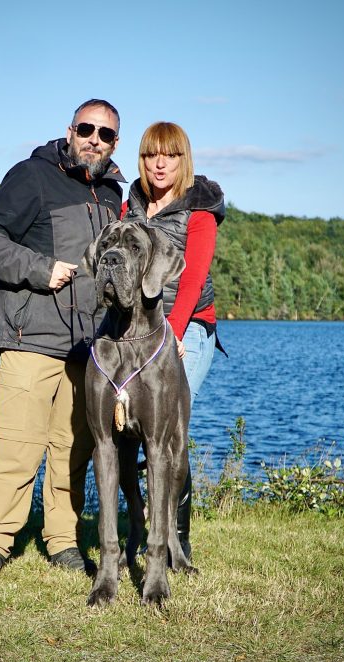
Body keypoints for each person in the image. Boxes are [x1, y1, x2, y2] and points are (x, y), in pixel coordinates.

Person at [0, 99, 125, 580]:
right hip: (30, 336)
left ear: (115, 141)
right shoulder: (32, 175)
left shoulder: (114, 194)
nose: (95, 140)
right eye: (87, 129)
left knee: (72, 450)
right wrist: (38, 269)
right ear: (70, 130)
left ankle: (63, 542)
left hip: (87, 347)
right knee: (16, 445)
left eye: (106, 134)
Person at [122, 121, 226, 561]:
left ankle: (175, 543)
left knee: (169, 435)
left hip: (187, 329)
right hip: (135, 331)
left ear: (184, 159)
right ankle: (136, 531)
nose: (159, 163)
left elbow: (192, 278)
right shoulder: (132, 203)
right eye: (150, 155)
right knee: (130, 434)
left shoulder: (199, 208)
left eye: (169, 155)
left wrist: (174, 333)